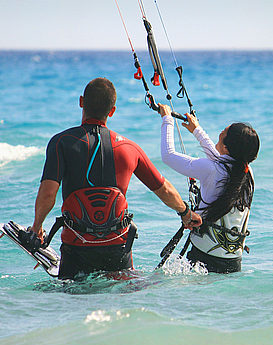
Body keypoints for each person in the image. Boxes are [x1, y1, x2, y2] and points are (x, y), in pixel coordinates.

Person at [29, 78, 202, 280]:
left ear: (81, 102)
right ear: (112, 111)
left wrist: (37, 227)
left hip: (76, 247)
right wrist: (185, 212)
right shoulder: (129, 148)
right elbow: (164, 190)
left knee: (72, 301)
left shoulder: (61, 142)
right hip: (117, 248)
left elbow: (48, 193)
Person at [158, 103, 259, 274]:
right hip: (234, 263)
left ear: (226, 147)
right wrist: (197, 130)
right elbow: (220, 159)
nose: (220, 133)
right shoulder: (247, 174)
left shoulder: (211, 169)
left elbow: (168, 156)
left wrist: (167, 119)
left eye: (222, 133)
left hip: (204, 261)